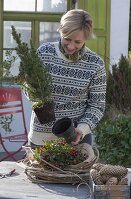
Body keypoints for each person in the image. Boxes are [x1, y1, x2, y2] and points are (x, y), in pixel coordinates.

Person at [28, 9, 106, 148]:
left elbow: (97, 106)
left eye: (77, 42)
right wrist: (30, 88)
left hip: (76, 139)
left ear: (85, 39)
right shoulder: (44, 53)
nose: (71, 46)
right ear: (60, 31)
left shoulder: (95, 64)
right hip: (41, 140)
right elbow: (29, 90)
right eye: (67, 39)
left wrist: (82, 129)